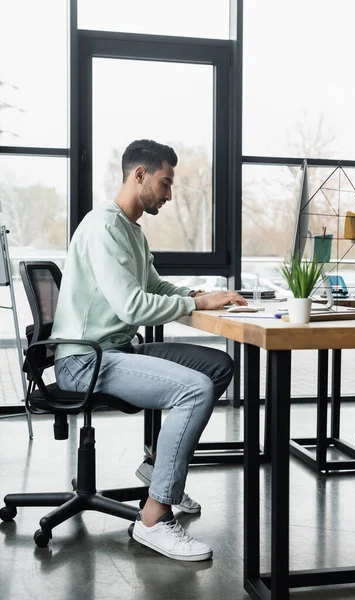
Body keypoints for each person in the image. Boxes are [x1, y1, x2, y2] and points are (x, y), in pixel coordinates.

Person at [51, 139, 247, 562]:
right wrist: (196, 304)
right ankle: (154, 518)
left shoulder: (130, 231)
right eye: (165, 182)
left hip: (115, 350)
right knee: (193, 390)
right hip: (84, 361)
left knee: (217, 366)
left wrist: (201, 293)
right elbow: (133, 305)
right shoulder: (103, 227)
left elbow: (154, 287)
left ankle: (156, 469)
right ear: (138, 175)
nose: (169, 194)